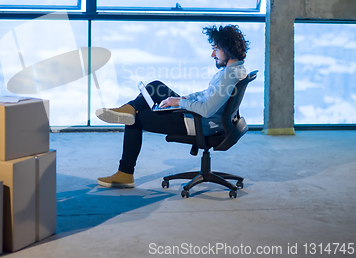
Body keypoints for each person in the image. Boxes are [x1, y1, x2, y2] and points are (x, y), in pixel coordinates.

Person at [95, 24, 249, 188]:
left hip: (198, 123)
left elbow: (207, 109)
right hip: (202, 119)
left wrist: (179, 103)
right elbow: (206, 94)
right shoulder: (235, 70)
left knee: (136, 119)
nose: (212, 54)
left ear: (227, 49)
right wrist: (183, 98)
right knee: (155, 86)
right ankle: (129, 108)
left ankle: (125, 173)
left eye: (215, 49)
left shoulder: (228, 76)